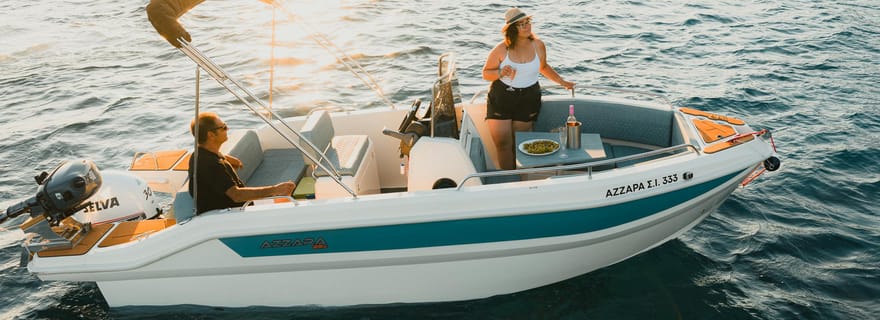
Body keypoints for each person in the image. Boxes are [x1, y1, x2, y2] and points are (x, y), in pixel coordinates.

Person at [482, 7, 576, 170]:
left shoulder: (538, 45)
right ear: (512, 29)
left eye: (528, 22)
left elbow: (544, 67)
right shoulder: (501, 49)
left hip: (528, 97)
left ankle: (523, 181)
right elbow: (485, 74)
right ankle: (509, 179)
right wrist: (499, 72)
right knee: (503, 143)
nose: (526, 26)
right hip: (501, 97)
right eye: (521, 24)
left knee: (522, 142)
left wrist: (562, 82)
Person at [188, 112, 296, 214]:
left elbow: (217, 178)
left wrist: (227, 159)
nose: (227, 129)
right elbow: (237, 195)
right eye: (223, 127)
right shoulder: (210, 165)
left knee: (287, 199)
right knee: (289, 205)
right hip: (228, 215)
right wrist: (275, 189)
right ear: (211, 135)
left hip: (237, 208)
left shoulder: (201, 154)